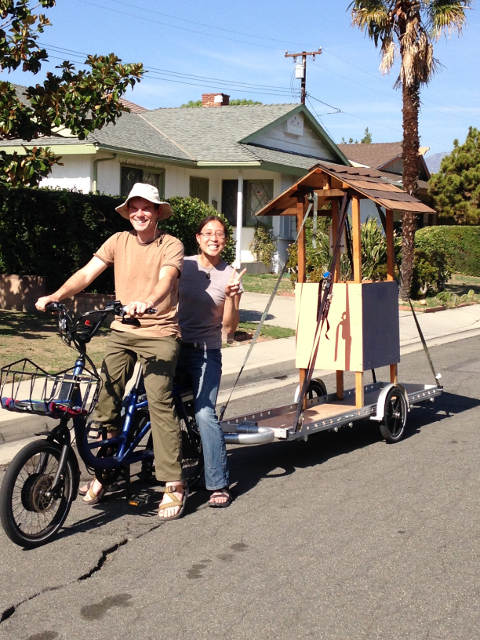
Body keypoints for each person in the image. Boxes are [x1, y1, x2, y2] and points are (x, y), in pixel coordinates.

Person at [35, 183, 187, 521]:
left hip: (159, 331)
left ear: (158, 212)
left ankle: (173, 483)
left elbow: (165, 280)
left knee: (159, 401)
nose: (139, 214)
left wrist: (148, 302)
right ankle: (107, 468)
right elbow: (87, 274)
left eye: (146, 207)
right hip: (122, 331)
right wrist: (57, 296)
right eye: (134, 208)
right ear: (128, 212)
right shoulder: (118, 241)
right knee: (106, 397)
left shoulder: (170, 244)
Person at [177, 215, 245, 507]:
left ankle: (218, 483)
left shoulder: (230, 275)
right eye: (208, 233)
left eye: (219, 234)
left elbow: (229, 328)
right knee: (146, 403)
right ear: (198, 238)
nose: (213, 238)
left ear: (225, 241)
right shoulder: (183, 265)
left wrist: (231, 297)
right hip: (173, 347)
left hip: (206, 352)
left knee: (204, 413)